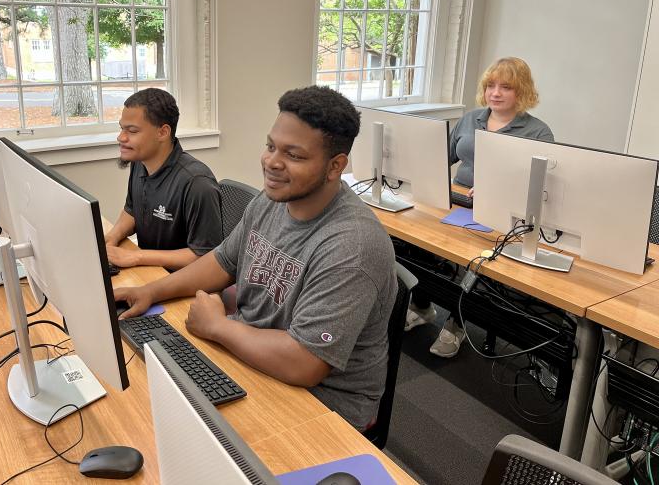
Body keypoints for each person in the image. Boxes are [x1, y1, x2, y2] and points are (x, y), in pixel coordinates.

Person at [115, 86, 398, 430]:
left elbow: (305, 363)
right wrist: (153, 291)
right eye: (270, 146)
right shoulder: (271, 201)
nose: (271, 162)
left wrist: (217, 326)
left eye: (293, 155)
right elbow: (222, 261)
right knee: (145, 402)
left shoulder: (352, 246)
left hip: (323, 404)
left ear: (335, 166)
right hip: (251, 354)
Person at [406, 57, 555, 358]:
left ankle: (456, 325)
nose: (495, 93)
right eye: (490, 86)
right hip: (457, 200)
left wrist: (498, 188)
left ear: (522, 91)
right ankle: (422, 306)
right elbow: (442, 157)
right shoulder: (470, 118)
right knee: (411, 237)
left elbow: (544, 185)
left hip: (501, 214)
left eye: (506, 87)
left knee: (478, 262)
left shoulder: (537, 132)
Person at [105, 88, 223, 271]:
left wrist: (137, 256)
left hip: (185, 284)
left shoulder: (197, 184)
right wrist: (112, 237)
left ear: (162, 132)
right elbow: (132, 210)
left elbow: (205, 256)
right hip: (151, 271)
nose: (121, 137)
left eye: (132, 131)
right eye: (122, 129)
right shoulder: (140, 163)